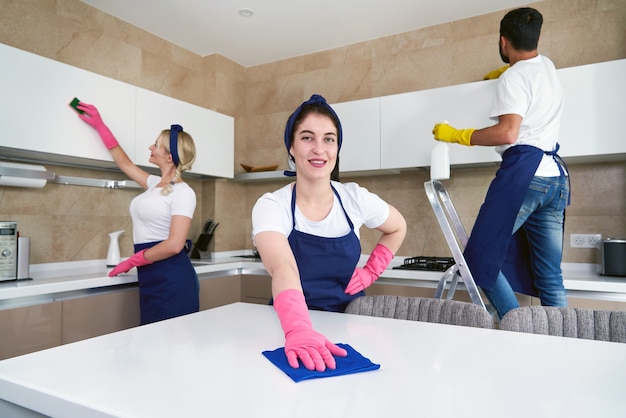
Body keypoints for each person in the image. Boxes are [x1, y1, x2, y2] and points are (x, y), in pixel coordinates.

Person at [431, 7, 570, 319]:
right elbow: (530, 85)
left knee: (478, 258)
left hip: (525, 175)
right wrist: (505, 75)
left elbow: (508, 132)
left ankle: (519, 326)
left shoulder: (515, 78)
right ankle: (565, 343)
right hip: (556, 180)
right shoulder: (546, 66)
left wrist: (458, 135)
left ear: (503, 41)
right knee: (550, 275)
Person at [252, 94, 407, 372]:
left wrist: (372, 271)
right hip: (288, 326)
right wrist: (298, 329)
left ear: (337, 148)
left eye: (329, 139)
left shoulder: (354, 198)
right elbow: (283, 267)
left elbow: (397, 227)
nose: (319, 149)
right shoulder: (272, 205)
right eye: (307, 138)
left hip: (349, 324)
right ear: (291, 146)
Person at [75, 102, 200, 325]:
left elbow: (174, 245)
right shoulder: (154, 185)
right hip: (150, 275)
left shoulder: (184, 192)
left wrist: (133, 261)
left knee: (173, 350)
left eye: (156, 145)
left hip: (172, 277)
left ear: (169, 157)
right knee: (153, 344)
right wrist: (100, 125)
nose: (150, 147)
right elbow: (124, 163)